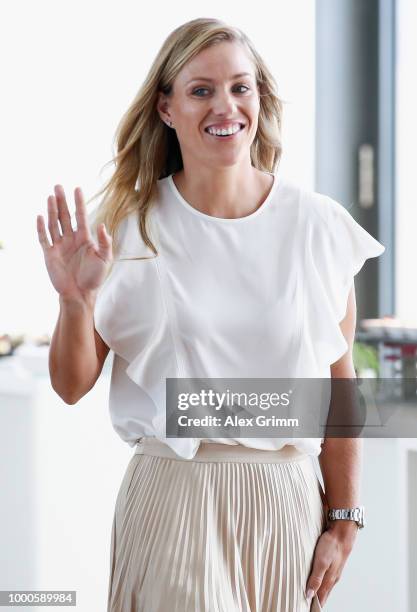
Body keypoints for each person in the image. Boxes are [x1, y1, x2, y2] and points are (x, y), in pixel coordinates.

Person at [37, 17, 385, 612]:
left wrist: (345, 517)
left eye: (240, 87)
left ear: (259, 98)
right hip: (176, 498)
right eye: (201, 90)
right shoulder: (125, 227)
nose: (225, 105)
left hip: (288, 501)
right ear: (167, 108)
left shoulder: (316, 225)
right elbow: (72, 387)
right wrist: (75, 303)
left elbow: (338, 382)